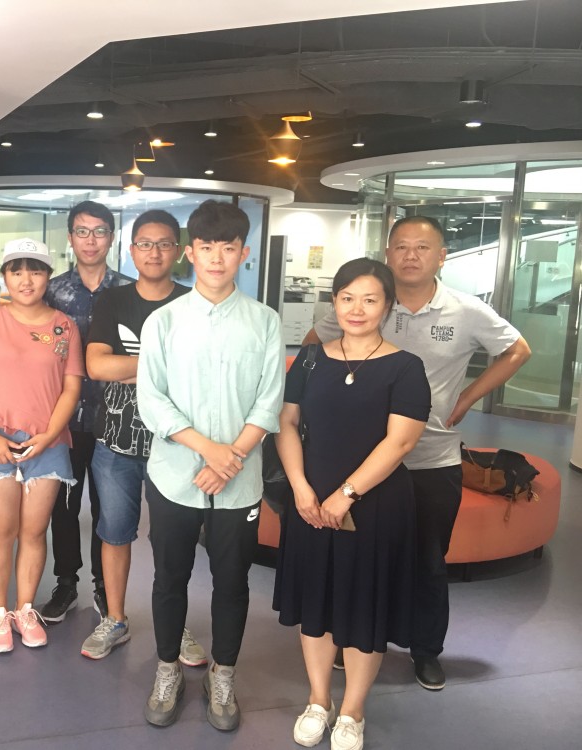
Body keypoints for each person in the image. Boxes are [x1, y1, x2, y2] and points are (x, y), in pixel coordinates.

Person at [304, 215, 530, 691]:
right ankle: (352, 638)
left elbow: (517, 350)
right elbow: (313, 349)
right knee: (360, 559)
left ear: (442, 256)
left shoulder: (466, 310)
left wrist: (467, 398)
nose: (411, 256)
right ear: (387, 253)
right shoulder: (368, 302)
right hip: (358, 466)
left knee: (428, 560)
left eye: (422, 248)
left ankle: (426, 650)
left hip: (430, 460)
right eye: (401, 246)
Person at [137, 199, 284, 731]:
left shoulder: (265, 322)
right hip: (175, 476)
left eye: (228, 247)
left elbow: (269, 401)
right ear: (190, 253)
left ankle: (223, 675)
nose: (217, 258)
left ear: (244, 253)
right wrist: (210, 450)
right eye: (206, 247)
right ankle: (167, 668)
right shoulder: (163, 321)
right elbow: (152, 400)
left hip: (239, 482)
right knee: (169, 578)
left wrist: (230, 458)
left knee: (233, 581)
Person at [275, 258, 431, 750]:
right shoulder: (311, 359)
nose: (356, 309)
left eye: (369, 299)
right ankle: (318, 700)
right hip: (310, 502)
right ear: (334, 302)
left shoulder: (405, 367)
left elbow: (400, 442)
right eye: (347, 298)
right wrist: (300, 487)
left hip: (374, 504)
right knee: (315, 602)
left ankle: (352, 711)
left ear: (388, 306)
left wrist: (345, 495)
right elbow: (286, 424)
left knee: (365, 605)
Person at [79, 209, 205, 667]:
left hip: (178, 443)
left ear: (179, 251)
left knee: (174, 540)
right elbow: (97, 366)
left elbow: (201, 372)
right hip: (116, 441)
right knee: (114, 533)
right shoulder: (113, 301)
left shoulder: (194, 303)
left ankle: (175, 622)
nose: (154, 253)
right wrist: (161, 366)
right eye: (145, 244)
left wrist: (131, 368)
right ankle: (115, 618)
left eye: (164, 244)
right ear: (131, 251)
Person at [0, 238, 84, 653]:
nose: (26, 279)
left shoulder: (65, 326)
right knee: (0, 531)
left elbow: (71, 388)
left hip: (47, 443)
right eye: (16, 271)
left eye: (35, 270)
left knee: (34, 531)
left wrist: (49, 435)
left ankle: (25, 609)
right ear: (5, 277)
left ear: (48, 276)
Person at [39, 200, 132, 622]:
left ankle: (103, 585)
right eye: (82, 231)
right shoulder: (52, 291)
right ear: (70, 238)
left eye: (99, 231)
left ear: (111, 237)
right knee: (63, 505)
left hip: (117, 419)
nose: (90, 240)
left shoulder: (129, 291)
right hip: (64, 418)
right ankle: (65, 583)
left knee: (108, 508)